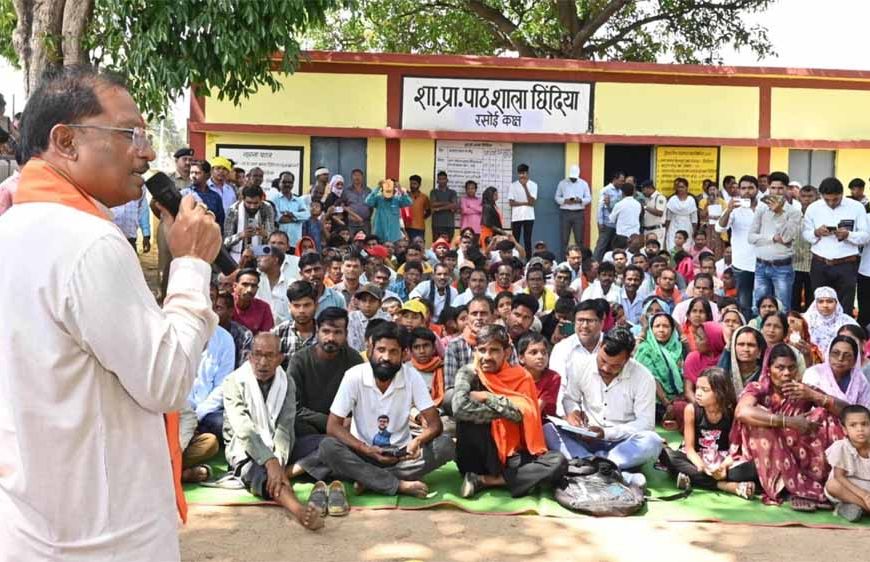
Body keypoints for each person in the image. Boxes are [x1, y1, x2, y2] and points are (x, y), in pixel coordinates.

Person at [0, 67, 222, 559]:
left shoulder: (12, 226)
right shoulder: (88, 242)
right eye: (130, 134)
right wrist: (190, 266)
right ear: (66, 141)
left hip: (32, 526)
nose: (146, 152)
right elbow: (166, 381)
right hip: (107, 537)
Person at [306, 322, 456, 498]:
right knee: (327, 446)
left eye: (393, 352)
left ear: (404, 354)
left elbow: (434, 425)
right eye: (381, 350)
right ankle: (396, 484)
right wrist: (367, 450)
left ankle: (368, 479)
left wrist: (417, 442)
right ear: (371, 350)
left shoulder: (411, 376)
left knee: (446, 445)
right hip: (362, 453)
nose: (386, 357)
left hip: (401, 456)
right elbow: (333, 426)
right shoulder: (354, 375)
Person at [222, 333, 324, 530]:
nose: (262, 362)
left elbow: (285, 428)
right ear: (249, 356)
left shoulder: (287, 383)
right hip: (245, 449)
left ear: (280, 358)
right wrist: (269, 461)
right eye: (258, 354)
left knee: (327, 445)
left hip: (280, 449)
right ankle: (299, 511)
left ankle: (283, 472)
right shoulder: (233, 381)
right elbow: (244, 430)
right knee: (257, 471)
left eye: (269, 356)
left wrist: (278, 461)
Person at [453, 326, 568, 498]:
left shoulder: (521, 377)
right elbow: (460, 408)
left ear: (506, 352)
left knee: (558, 463)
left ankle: (485, 481)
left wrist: (487, 397)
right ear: (475, 351)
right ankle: (501, 478)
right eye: (482, 350)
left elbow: (519, 414)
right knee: (461, 412)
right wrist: (503, 410)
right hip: (477, 452)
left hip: (512, 454)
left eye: (494, 351)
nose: (486, 357)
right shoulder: (469, 372)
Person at [731, 343, 846, 509]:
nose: (786, 373)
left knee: (824, 415)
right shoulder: (758, 388)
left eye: (791, 368)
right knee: (760, 419)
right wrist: (788, 422)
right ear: (769, 369)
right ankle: (794, 490)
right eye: (780, 368)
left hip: (797, 455)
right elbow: (742, 412)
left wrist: (814, 395)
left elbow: (850, 413)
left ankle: (831, 481)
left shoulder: (801, 390)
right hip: (761, 455)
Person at [544, 328, 661, 487]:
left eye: (614, 365)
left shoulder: (643, 377)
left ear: (628, 359)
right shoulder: (580, 364)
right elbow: (570, 398)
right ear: (600, 347)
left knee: (652, 442)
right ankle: (614, 472)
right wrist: (573, 413)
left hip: (622, 444)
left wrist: (605, 433)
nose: (606, 368)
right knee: (547, 429)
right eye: (603, 361)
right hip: (586, 438)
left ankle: (588, 465)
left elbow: (645, 423)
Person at [661, 368, 757, 498]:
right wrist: (702, 466)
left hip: (725, 460)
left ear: (720, 392)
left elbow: (736, 448)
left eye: (705, 390)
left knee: (752, 468)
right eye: (697, 388)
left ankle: (694, 479)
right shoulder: (691, 410)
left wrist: (723, 467)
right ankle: (728, 486)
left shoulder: (732, 411)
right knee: (668, 456)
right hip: (697, 458)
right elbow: (689, 449)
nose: (698, 393)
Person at [288, 307, 364, 468]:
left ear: (345, 334)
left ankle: (308, 467)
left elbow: (362, 403)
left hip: (346, 429)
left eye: (337, 332)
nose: (331, 338)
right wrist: (333, 424)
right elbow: (294, 408)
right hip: (311, 430)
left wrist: (348, 423)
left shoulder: (354, 360)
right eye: (326, 331)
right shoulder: (300, 360)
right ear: (317, 331)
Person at [803, 177, 870, 311]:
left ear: (842, 194)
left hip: (846, 264)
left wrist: (848, 235)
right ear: (821, 195)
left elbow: (865, 236)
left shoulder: (856, 207)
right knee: (820, 306)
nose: (831, 203)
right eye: (827, 200)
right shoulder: (813, 208)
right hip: (820, 263)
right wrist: (816, 232)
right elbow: (806, 234)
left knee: (845, 306)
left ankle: (844, 332)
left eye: (835, 199)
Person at [749, 171, 802, 312]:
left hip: (782, 267)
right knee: (758, 307)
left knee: (782, 308)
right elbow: (751, 237)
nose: (776, 192)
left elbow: (786, 237)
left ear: (787, 189)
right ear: (768, 188)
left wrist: (779, 214)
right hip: (761, 264)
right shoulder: (761, 209)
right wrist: (771, 238)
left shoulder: (794, 212)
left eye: (780, 188)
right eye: (773, 188)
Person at [717, 175, 759, 317]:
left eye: (750, 188)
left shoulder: (765, 208)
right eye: (743, 188)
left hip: (764, 263)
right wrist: (728, 210)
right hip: (742, 264)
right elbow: (719, 228)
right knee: (744, 303)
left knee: (764, 302)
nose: (747, 191)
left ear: (757, 189)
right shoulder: (734, 209)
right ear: (739, 191)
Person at [634, 313, 687, 425]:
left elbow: (688, 372)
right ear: (651, 329)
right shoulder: (645, 349)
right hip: (655, 401)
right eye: (657, 326)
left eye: (666, 326)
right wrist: (667, 403)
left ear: (672, 329)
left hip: (678, 398)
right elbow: (652, 378)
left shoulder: (678, 348)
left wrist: (681, 331)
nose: (661, 330)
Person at [187, 324, 235, 438]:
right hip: (178, 410)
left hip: (207, 412)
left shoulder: (224, 338)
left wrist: (198, 415)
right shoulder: (175, 333)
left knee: (224, 424)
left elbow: (223, 385)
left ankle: (191, 437)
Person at [824, 405, 870, 522]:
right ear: (844, 430)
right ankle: (862, 506)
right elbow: (839, 477)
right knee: (832, 485)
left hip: (867, 486)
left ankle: (854, 508)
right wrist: (864, 495)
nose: (860, 429)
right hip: (847, 486)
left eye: (864, 424)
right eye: (853, 425)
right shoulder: (841, 447)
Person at [803, 336, 870, 408]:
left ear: (854, 361)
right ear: (828, 355)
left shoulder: (860, 380)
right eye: (835, 353)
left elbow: (865, 409)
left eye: (847, 355)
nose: (840, 359)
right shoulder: (814, 373)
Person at [549, 300, 604, 380]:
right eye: (580, 320)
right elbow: (559, 385)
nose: (584, 326)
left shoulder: (611, 345)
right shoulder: (561, 348)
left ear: (601, 323)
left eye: (590, 321)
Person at [270, 280, 318, 370]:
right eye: (296, 305)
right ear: (289, 307)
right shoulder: (279, 333)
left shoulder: (325, 333)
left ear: (316, 305)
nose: (301, 311)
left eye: (307, 305)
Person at [224, 185, 277, 263]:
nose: (252, 206)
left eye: (256, 203)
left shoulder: (267, 208)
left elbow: (273, 238)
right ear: (243, 199)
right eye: (249, 202)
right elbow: (225, 242)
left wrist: (265, 234)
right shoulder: (233, 210)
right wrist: (241, 235)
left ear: (262, 199)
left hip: (261, 254)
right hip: (236, 255)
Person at [805, 286, 858, 359]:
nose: (825, 305)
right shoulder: (807, 320)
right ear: (815, 304)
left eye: (829, 301)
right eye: (821, 302)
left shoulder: (847, 321)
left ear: (836, 303)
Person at [516, 332, 561, 420]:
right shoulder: (515, 376)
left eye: (544, 353)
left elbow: (536, 410)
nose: (540, 356)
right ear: (521, 358)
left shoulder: (553, 378)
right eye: (534, 353)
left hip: (542, 423)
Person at [684, 321, 727, 400]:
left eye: (700, 338)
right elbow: (688, 391)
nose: (696, 341)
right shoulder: (693, 358)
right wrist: (699, 408)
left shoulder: (725, 359)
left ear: (713, 341)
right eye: (695, 336)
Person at [793, 184, 819, 312]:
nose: (807, 199)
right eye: (804, 196)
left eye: (810, 196)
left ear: (817, 197)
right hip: (794, 263)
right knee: (794, 298)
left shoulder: (820, 216)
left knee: (811, 299)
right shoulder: (794, 216)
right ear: (799, 198)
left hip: (813, 263)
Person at [180, 160, 225, 233]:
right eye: (191, 173)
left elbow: (220, 222)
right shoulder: (184, 194)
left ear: (207, 175)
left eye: (197, 173)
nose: (193, 176)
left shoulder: (215, 197)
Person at [407, 327, 446, 409]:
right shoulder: (405, 370)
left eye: (426, 345)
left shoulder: (443, 367)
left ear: (434, 348)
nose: (422, 351)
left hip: (441, 412)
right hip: (413, 415)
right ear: (411, 350)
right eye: (416, 347)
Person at [720, 325, 767, 394]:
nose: (746, 349)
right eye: (741, 344)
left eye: (751, 345)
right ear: (733, 348)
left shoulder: (764, 376)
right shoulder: (725, 373)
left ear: (759, 351)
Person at [555, 164, 591, 251]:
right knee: (564, 239)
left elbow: (589, 198)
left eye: (574, 178)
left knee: (579, 240)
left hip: (579, 213)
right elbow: (556, 197)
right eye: (572, 178)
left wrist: (580, 200)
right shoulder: (562, 183)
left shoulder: (584, 183)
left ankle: (579, 260)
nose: (573, 179)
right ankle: (564, 260)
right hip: (565, 212)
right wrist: (565, 200)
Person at [347, 284, 391, 353]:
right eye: (364, 300)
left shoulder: (386, 319)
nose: (367, 305)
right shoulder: (351, 317)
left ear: (380, 304)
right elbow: (352, 344)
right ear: (358, 303)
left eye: (372, 301)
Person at [271, 171, 310, 246]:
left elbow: (307, 215)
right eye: (284, 182)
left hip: (295, 242)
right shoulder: (274, 199)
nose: (287, 185)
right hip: (279, 243)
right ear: (279, 183)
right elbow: (279, 219)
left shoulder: (299, 200)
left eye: (290, 182)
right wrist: (298, 218)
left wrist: (291, 214)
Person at [367, 179, 412, 243]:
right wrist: (378, 187)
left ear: (394, 192)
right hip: (380, 235)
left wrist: (400, 190)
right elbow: (368, 201)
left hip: (394, 237)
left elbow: (409, 202)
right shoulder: (378, 199)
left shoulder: (397, 200)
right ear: (382, 191)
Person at [232, 268, 275, 335]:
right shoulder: (225, 303)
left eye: (253, 286)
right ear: (235, 286)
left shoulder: (263, 308)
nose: (249, 290)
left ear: (257, 288)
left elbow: (266, 337)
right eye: (245, 285)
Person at [110, 183, 151, 252]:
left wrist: (146, 234)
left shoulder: (139, 184)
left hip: (130, 238)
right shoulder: (109, 179)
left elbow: (143, 209)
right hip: (111, 237)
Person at [594, 171, 625, 260]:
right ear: (615, 179)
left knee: (613, 248)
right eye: (621, 181)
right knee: (601, 247)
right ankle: (595, 264)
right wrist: (600, 222)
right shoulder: (606, 190)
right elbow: (600, 207)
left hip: (617, 225)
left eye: (623, 181)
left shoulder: (620, 191)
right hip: (607, 224)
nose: (622, 183)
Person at [256, 245, 291, 325]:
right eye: (258, 256)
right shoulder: (256, 282)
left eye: (263, 256)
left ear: (275, 260)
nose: (258, 259)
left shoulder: (290, 284)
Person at [509, 163, 537, 257]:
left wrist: (525, 187)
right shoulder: (513, 185)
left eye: (524, 173)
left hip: (529, 216)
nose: (522, 175)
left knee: (527, 240)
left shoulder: (533, 185)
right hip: (516, 217)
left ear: (527, 173)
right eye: (520, 173)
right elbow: (511, 203)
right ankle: (514, 258)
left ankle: (528, 260)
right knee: (515, 239)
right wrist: (525, 203)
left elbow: (532, 202)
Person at [665, 177, 698, 252]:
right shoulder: (673, 199)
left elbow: (694, 219)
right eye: (678, 187)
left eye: (682, 187)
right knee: (672, 246)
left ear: (686, 188)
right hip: (674, 225)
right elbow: (668, 218)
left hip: (687, 226)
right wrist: (666, 231)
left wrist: (694, 232)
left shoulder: (691, 200)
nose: (680, 189)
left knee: (687, 247)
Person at [430, 170, 458, 240]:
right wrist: (448, 203)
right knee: (436, 245)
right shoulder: (433, 192)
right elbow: (433, 204)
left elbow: (454, 206)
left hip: (449, 224)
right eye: (440, 179)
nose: (442, 181)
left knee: (448, 246)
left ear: (447, 180)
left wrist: (439, 209)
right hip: (437, 224)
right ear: (437, 181)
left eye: (444, 179)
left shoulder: (453, 192)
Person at [345, 169, 373, 235]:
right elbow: (343, 205)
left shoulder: (368, 190)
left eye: (359, 175)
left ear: (362, 177)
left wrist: (367, 216)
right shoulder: (346, 191)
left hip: (365, 223)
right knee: (352, 241)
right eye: (355, 175)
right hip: (352, 224)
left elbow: (371, 206)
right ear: (351, 177)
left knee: (366, 242)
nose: (357, 177)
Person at [404, 174, 430, 241]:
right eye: (411, 183)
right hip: (406, 226)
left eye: (415, 184)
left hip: (419, 227)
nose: (412, 186)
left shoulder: (424, 197)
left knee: (419, 246)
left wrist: (421, 218)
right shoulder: (405, 195)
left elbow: (429, 211)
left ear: (419, 184)